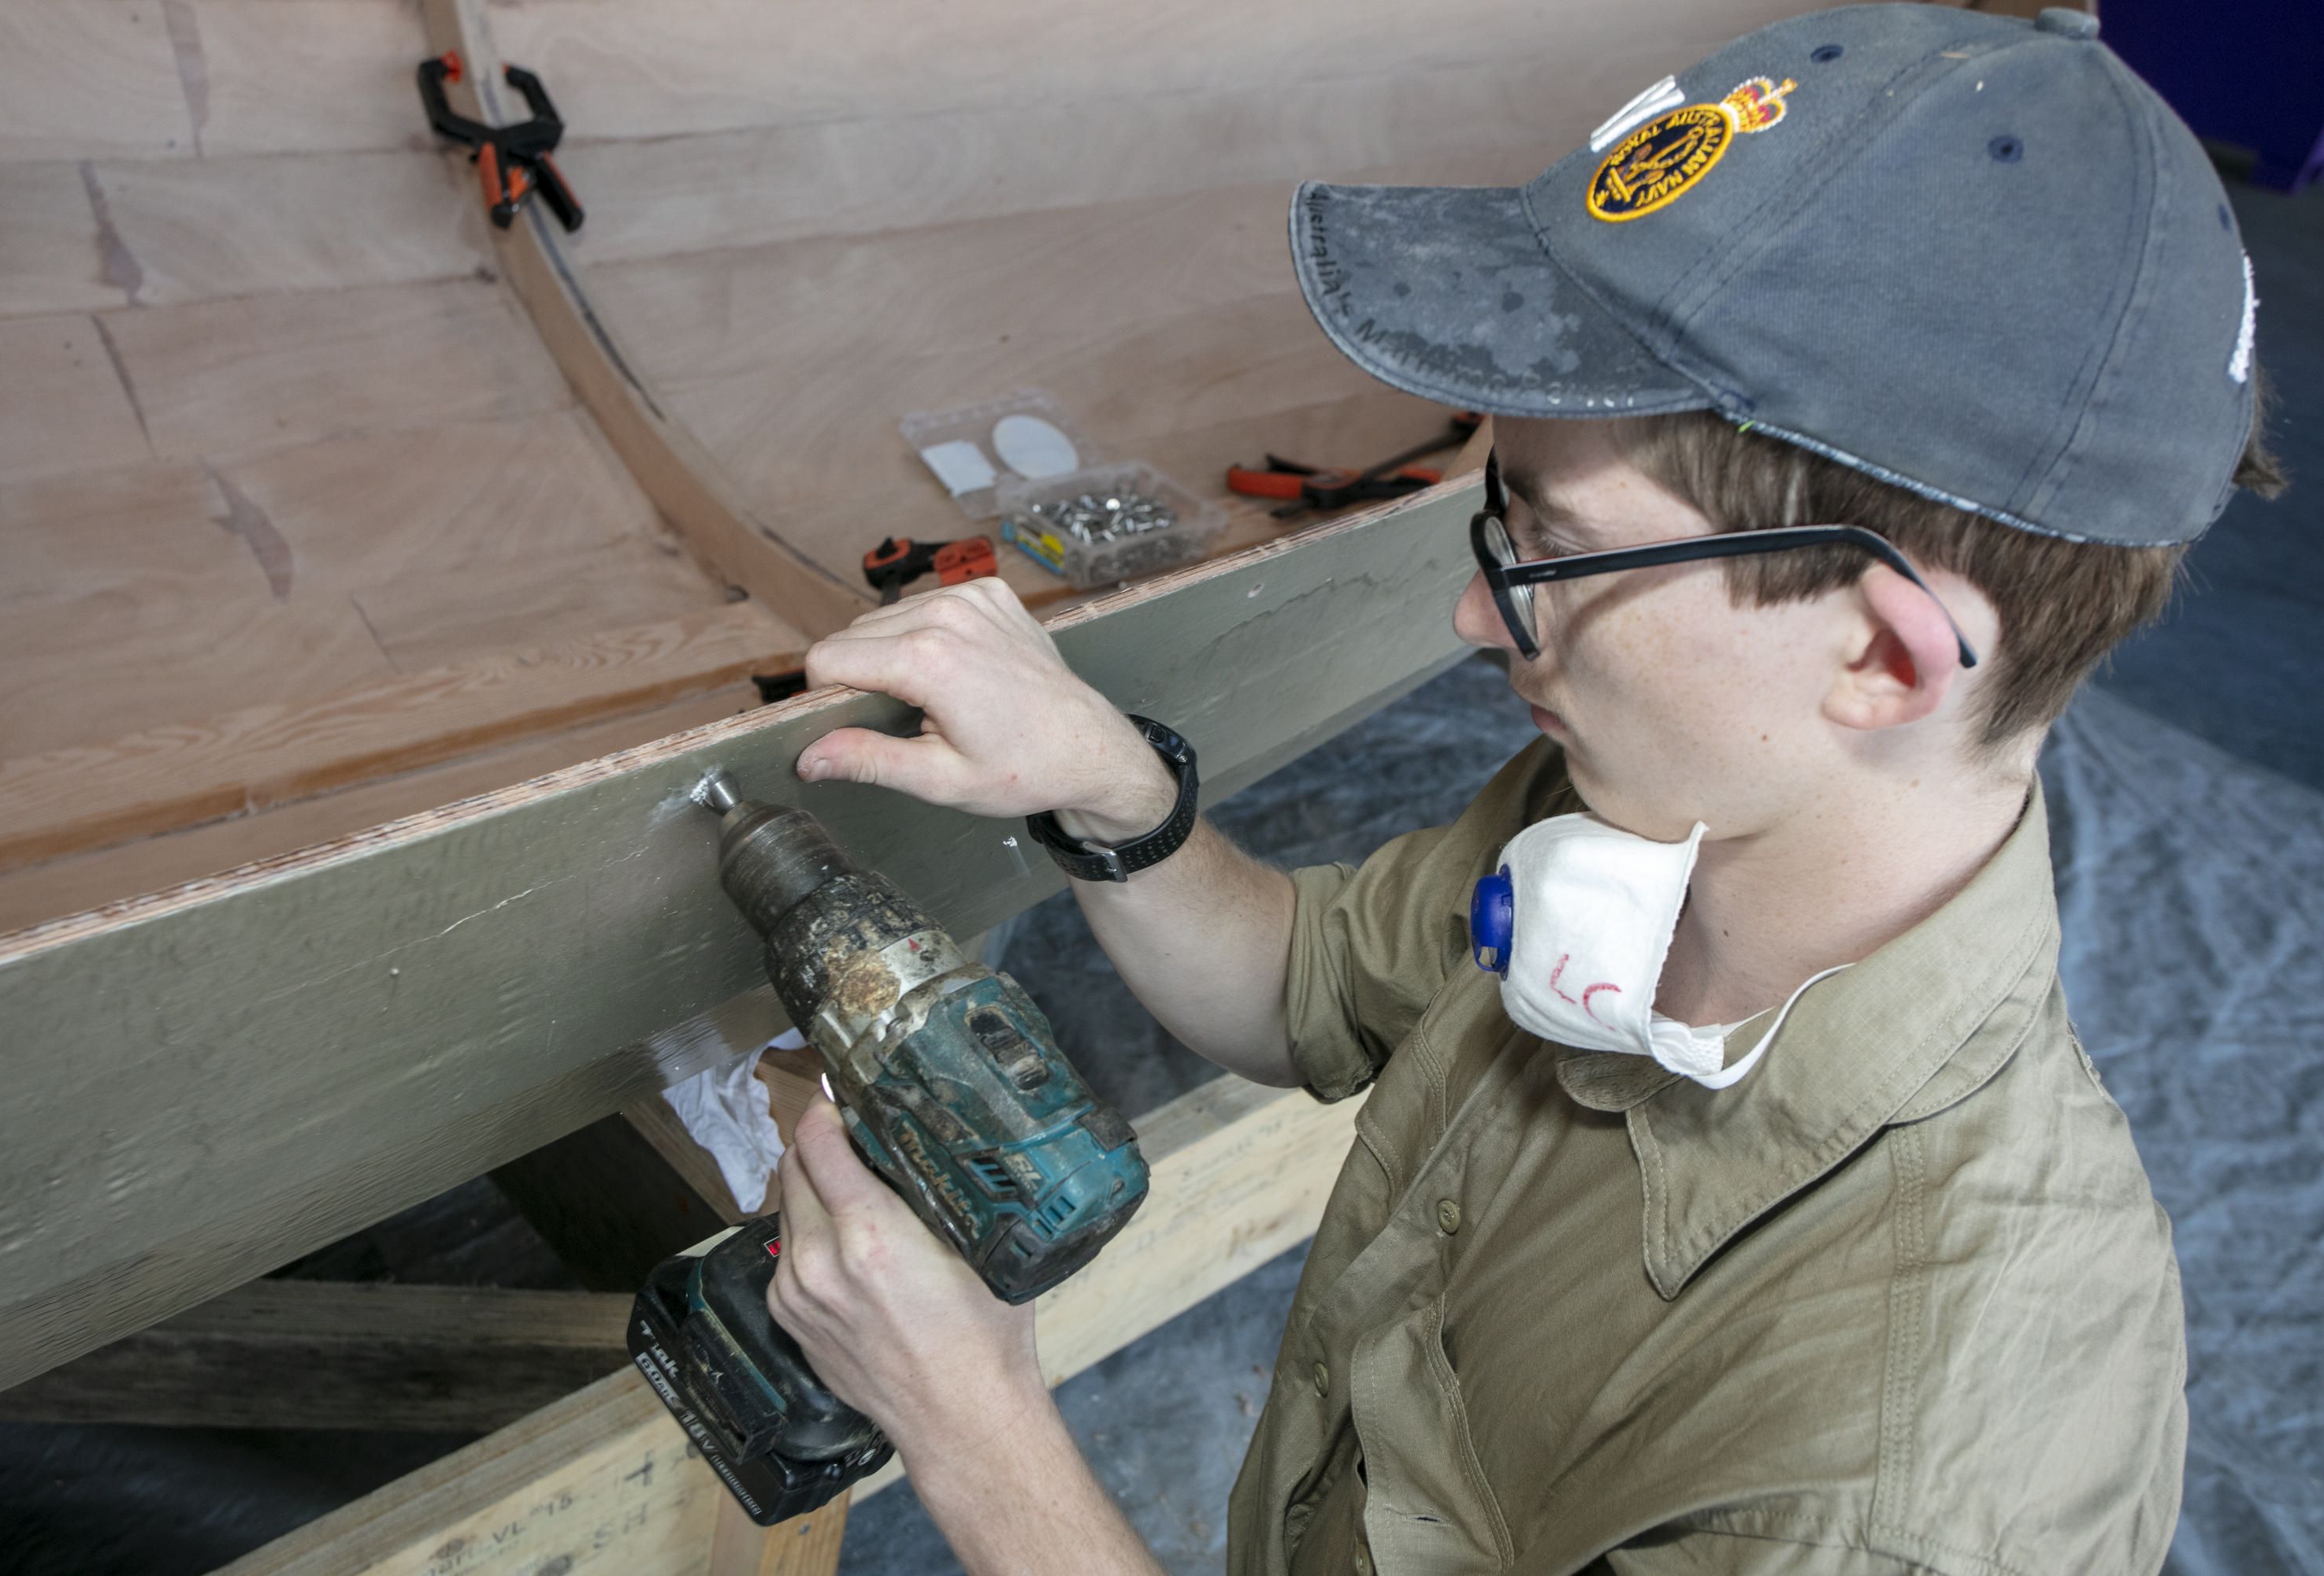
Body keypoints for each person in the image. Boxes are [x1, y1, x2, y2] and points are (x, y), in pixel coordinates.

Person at [760, 6, 2285, 1572]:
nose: (1477, 616)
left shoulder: (1884, 1487)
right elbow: (1304, 982)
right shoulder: (1646, 819)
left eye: (1548, 548)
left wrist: (970, 1424)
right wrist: (1111, 787)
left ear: (1886, 663)